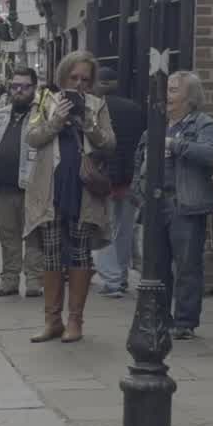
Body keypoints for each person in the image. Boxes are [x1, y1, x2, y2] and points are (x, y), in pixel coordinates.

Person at [24, 52, 116, 344]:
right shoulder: (45, 102)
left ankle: (75, 321)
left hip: (83, 190)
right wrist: (56, 121)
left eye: (85, 80)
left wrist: (88, 124)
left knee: (79, 252)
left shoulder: (97, 105)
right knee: (50, 253)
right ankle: (52, 321)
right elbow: (32, 136)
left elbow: (110, 143)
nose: (79, 84)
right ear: (63, 78)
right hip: (50, 189)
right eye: (73, 78)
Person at [135, 72, 213, 339]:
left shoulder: (204, 124)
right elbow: (139, 163)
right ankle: (160, 317)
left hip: (185, 204)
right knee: (156, 266)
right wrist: (139, 194)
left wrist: (176, 144)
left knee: (187, 266)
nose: (166, 97)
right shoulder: (155, 126)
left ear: (190, 97)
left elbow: (210, 154)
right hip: (155, 205)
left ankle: (184, 323)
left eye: (172, 90)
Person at [93, 68, 145, 298]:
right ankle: (121, 276)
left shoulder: (96, 109)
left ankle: (112, 281)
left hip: (104, 179)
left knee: (105, 229)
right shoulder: (134, 108)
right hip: (129, 178)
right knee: (124, 231)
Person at [0, 68, 40, 298]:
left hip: (31, 186)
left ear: (34, 88)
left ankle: (33, 281)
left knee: (32, 236)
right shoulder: (0, 115)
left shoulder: (42, 114)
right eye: (15, 86)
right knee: (7, 236)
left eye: (25, 86)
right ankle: (9, 280)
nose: (19, 91)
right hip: (2, 187)